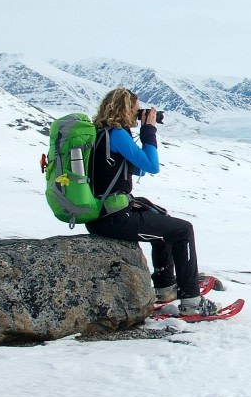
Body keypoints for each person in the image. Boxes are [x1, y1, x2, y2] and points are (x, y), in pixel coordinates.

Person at [85, 87, 221, 316]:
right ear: (126, 109)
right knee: (183, 230)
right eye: (136, 110)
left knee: (159, 217)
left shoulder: (101, 133)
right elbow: (152, 166)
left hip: (101, 214)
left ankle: (166, 287)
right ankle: (192, 302)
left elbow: (139, 168)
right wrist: (149, 130)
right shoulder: (116, 135)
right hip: (114, 219)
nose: (138, 115)